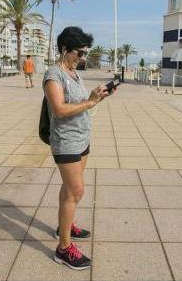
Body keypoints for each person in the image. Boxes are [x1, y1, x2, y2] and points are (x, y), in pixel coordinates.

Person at [43, 26, 112, 270]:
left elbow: (82, 102)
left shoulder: (73, 73)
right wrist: (90, 101)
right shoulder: (54, 75)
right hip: (66, 141)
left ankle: (65, 225)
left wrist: (96, 97)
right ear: (64, 49)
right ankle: (63, 249)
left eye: (84, 54)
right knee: (77, 191)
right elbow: (60, 109)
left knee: (70, 189)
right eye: (79, 53)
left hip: (82, 138)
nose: (82, 58)